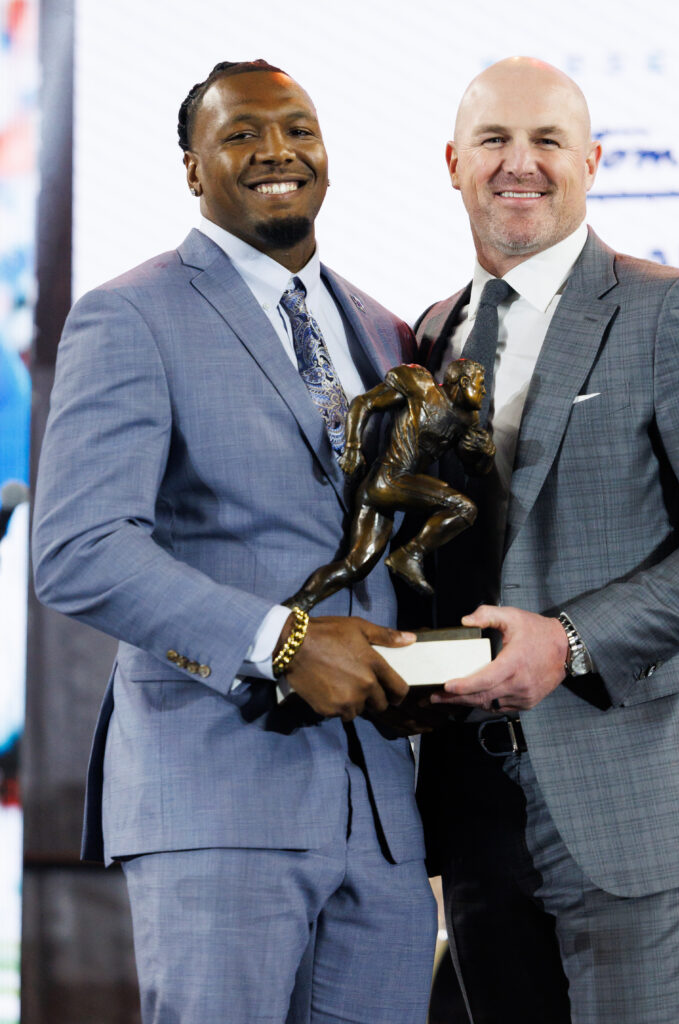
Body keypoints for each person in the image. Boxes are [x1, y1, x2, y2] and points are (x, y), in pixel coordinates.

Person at [31, 60, 437, 1024]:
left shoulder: (382, 329)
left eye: (297, 128)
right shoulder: (132, 314)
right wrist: (284, 644)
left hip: (381, 812)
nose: (276, 152)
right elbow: (79, 548)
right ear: (190, 168)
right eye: (241, 134)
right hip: (217, 791)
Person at [415, 57, 679, 1023]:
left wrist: (572, 638)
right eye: (495, 141)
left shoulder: (671, 310)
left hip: (640, 800)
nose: (520, 164)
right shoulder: (431, 336)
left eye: (547, 140)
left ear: (588, 161)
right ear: (453, 162)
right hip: (471, 808)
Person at [287, 358, 495, 611]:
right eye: (481, 384)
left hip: (388, 489)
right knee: (465, 509)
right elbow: (365, 402)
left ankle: (293, 608)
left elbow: (474, 469)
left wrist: (485, 455)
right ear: (464, 382)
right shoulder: (420, 385)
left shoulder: (467, 419)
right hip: (389, 479)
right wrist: (353, 446)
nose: (484, 391)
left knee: (356, 565)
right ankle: (411, 554)